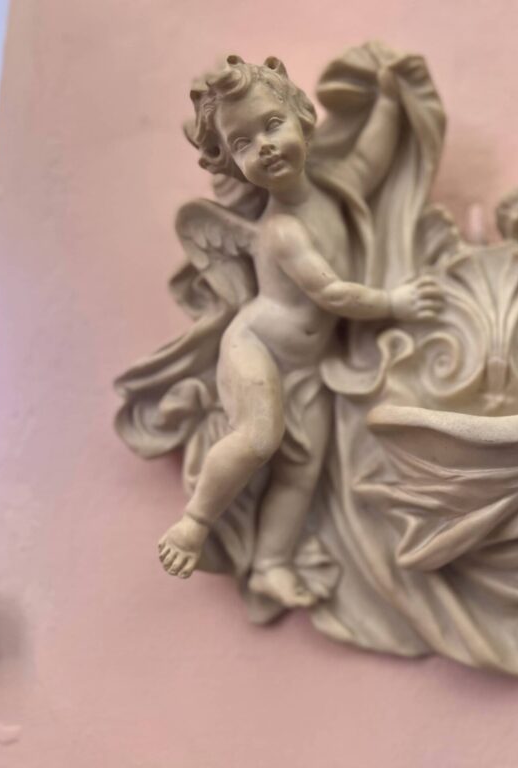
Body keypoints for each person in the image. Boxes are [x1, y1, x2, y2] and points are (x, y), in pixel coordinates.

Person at [156, 55, 443, 607]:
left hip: (305, 364)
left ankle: (271, 564)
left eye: (271, 125)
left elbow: (370, 160)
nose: (263, 147)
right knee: (259, 439)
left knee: (301, 472)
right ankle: (194, 523)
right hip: (258, 347)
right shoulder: (282, 230)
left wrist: (388, 99)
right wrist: (395, 302)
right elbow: (332, 293)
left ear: (303, 121)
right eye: (243, 144)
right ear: (235, 166)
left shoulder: (334, 190)